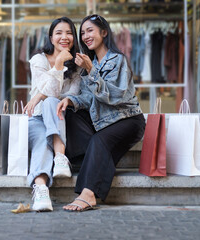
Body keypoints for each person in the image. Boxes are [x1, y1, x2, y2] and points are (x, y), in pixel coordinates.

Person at [57, 14, 146, 212]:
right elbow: (89, 99)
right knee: (69, 114)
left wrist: (91, 71)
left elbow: (115, 96)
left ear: (104, 32)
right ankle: (93, 158)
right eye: (82, 33)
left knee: (99, 140)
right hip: (103, 122)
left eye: (90, 30)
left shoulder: (118, 60)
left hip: (127, 119)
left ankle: (88, 194)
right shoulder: (90, 64)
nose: (85, 36)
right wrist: (71, 100)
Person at [23, 17, 81, 212]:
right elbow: (52, 90)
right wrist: (57, 65)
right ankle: (41, 190)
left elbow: (67, 95)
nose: (64, 37)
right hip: (36, 118)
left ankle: (59, 159)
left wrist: (39, 95)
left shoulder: (77, 65)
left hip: (60, 117)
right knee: (41, 140)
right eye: (59, 33)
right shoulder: (38, 60)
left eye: (69, 32)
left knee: (50, 102)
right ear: (51, 37)